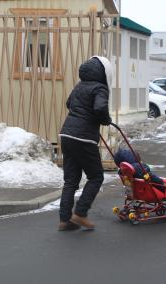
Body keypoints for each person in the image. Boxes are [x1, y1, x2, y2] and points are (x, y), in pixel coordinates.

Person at [58, 56, 113, 231]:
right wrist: (105, 120)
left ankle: (65, 220)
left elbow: (69, 103)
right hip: (84, 138)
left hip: (67, 134)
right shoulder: (100, 88)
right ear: (104, 73)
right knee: (96, 176)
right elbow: (99, 108)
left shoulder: (79, 86)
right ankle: (80, 213)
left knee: (71, 181)